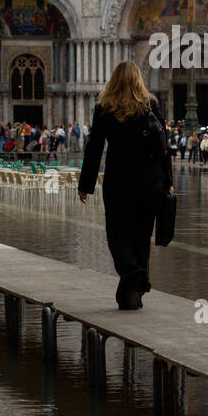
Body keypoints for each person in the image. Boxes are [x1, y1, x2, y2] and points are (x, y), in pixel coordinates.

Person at [78, 60, 174, 311]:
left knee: (116, 233)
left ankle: (132, 273)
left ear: (114, 79)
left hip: (119, 180)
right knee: (141, 237)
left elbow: (94, 148)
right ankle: (133, 296)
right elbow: (164, 147)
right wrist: (168, 182)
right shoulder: (150, 105)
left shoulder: (104, 107)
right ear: (138, 79)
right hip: (150, 182)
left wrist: (85, 184)